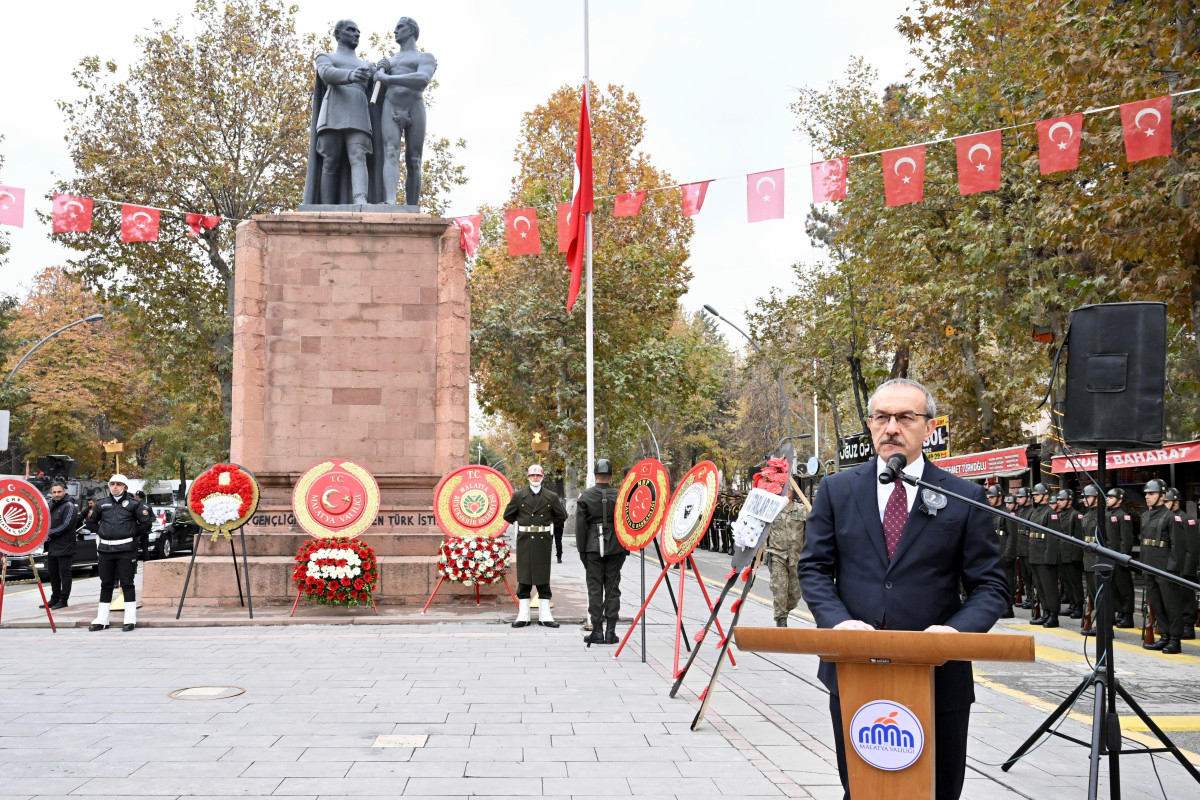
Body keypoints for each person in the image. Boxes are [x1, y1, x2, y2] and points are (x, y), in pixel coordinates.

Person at [798, 378, 1008, 800]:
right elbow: (815, 569)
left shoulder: (965, 496)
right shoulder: (838, 490)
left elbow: (991, 586)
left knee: (938, 790)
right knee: (862, 789)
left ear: (928, 428)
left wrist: (956, 633)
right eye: (882, 417)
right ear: (871, 424)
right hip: (856, 671)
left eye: (905, 417)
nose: (891, 427)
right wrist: (838, 624)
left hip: (938, 675)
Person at [302, 19, 377, 205]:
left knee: (359, 156)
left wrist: (388, 68)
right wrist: (351, 76)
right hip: (332, 112)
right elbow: (326, 73)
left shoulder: (368, 65)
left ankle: (361, 199)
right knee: (330, 160)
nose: (356, 34)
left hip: (359, 112)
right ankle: (326, 206)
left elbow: (384, 84)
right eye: (351, 30)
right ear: (338, 34)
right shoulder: (325, 57)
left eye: (358, 31)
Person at [373, 17, 436, 207]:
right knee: (390, 152)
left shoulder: (425, 57)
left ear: (411, 31)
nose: (395, 31)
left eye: (399, 27)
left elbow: (422, 78)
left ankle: (412, 207)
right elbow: (376, 82)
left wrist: (388, 78)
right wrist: (377, 72)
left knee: (414, 159)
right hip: (391, 105)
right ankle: (390, 201)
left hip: (414, 106)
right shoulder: (389, 62)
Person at [84, 474, 153, 632]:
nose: (115, 487)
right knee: (106, 584)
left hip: (126, 550)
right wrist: (101, 531)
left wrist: (131, 533)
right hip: (106, 550)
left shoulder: (134, 504)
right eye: (112, 484)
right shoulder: (101, 504)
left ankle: (130, 619)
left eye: (119, 484)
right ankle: (102, 619)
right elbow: (90, 522)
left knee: (127, 584)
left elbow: (146, 523)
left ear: (125, 487)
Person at [503, 464, 567, 629]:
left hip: (543, 540)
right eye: (532, 476)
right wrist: (522, 523)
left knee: (542, 578)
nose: (535, 478)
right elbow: (507, 515)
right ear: (528, 477)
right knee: (524, 578)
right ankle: (523, 615)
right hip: (525, 540)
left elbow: (561, 516)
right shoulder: (518, 496)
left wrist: (548, 524)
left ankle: (545, 616)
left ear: (542, 477)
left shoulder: (551, 497)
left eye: (538, 476)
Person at [575, 459, 628, 644]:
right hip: (616, 546)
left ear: (595, 475)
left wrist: (582, 550)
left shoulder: (586, 496)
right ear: (611, 476)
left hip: (592, 547)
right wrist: (625, 546)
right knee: (613, 589)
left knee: (595, 589)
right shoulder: (621, 495)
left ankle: (597, 632)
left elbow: (580, 527)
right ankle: (611, 632)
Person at [1139, 479, 1182, 654]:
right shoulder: (1145, 516)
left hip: (1165, 567)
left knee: (1171, 605)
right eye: (1147, 494)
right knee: (1156, 604)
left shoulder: (1171, 517)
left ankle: (1175, 640)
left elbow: (1178, 546)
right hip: (1149, 564)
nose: (1147, 497)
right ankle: (1164, 636)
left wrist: (1172, 571)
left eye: (1152, 493)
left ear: (1162, 496)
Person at [766, 486, 808, 626]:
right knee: (779, 587)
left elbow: (811, 532)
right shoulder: (772, 510)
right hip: (777, 554)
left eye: (786, 491)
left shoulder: (802, 509)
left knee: (795, 593)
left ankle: (785, 609)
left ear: (791, 493)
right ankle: (781, 619)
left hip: (797, 557)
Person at [1164, 488, 1198, 640]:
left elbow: (1192, 548)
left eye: (1167, 501)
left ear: (1176, 502)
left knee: (1186, 599)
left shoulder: (1187, 519)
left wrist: (1188, 570)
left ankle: (1188, 626)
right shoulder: (1168, 518)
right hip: (1172, 566)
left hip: (1184, 567)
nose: (1164, 504)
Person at [41, 481, 77, 610]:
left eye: (59, 492)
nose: (56, 494)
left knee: (65, 573)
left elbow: (66, 525)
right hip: (52, 546)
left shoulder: (69, 505)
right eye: (54, 492)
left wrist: (48, 534)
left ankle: (63, 600)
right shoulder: (51, 505)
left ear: (64, 492)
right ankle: (54, 599)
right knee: (53, 573)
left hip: (65, 546)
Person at [1026, 483, 1058, 626]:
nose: (1035, 497)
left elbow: (1053, 539)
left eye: (1037, 495)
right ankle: (1045, 612)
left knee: (1049, 587)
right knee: (1039, 586)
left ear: (1046, 496)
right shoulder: (1034, 512)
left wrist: (1049, 558)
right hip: (1034, 555)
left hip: (1045, 557)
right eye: (1034, 495)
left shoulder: (1051, 514)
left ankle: (1053, 615)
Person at [1105, 488, 1137, 627]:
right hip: (1108, 556)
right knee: (1113, 587)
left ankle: (1127, 615)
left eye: (1111, 497)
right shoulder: (1106, 514)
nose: (1107, 499)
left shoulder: (1123, 516)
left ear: (1119, 500)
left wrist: (1123, 556)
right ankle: (1120, 613)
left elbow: (1126, 539)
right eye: (1108, 497)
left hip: (1119, 557)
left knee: (1124, 588)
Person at [1054, 489, 1086, 620]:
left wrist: (1076, 557)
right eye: (1058, 500)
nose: (1058, 502)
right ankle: (1072, 604)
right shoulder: (1060, 514)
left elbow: (1078, 538)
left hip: (1072, 555)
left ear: (1070, 501)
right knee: (1066, 582)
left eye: (1061, 499)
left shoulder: (1076, 515)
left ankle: (1078, 606)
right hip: (1062, 554)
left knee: (1075, 582)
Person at [987, 486, 1014, 618]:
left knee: (1007, 581)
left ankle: (1008, 607)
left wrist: (1008, 554)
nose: (989, 499)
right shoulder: (989, 511)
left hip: (1004, 552)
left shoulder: (1007, 513)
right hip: (993, 552)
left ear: (999, 497)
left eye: (992, 497)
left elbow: (1012, 535)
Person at [1079, 484, 1103, 636]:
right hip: (1088, 560)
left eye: (1088, 497)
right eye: (1084, 497)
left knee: (1102, 596)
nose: (1085, 500)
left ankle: (1104, 625)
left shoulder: (1103, 515)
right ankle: (1098, 623)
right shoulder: (1086, 516)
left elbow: (1110, 541)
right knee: (1094, 595)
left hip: (1099, 560)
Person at [1013, 488, 1034, 612]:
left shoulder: (1032, 511)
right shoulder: (1020, 511)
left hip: (1028, 548)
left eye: (1021, 497)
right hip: (1021, 547)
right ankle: (1029, 597)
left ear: (1028, 498)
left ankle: (1032, 598)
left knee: (1031, 576)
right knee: (1025, 576)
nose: (1018, 499)